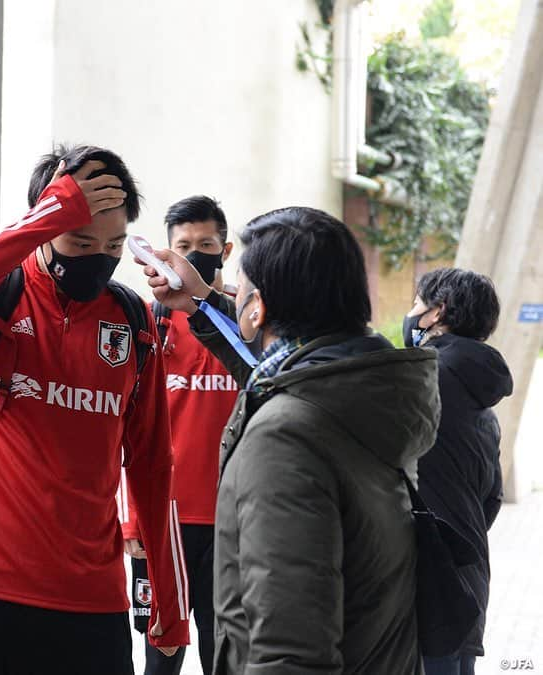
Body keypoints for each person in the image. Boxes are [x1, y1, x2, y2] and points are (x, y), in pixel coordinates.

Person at [0, 145, 188, 675]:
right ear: (43, 222)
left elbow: (152, 466)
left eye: (113, 245)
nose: (97, 258)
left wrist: (170, 605)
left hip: (89, 600)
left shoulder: (130, 323)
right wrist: (44, 217)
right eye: (79, 241)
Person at [139, 206, 441, 673]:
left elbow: (288, 647)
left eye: (241, 287)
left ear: (257, 305)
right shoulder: (358, 390)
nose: (234, 296)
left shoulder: (286, 435)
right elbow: (267, 370)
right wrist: (201, 301)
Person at [120, 196, 237, 675]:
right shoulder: (152, 323)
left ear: (225, 250)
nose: (194, 255)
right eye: (182, 246)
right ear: (167, 253)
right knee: (161, 656)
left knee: (224, 651)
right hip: (162, 519)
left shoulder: (246, 324)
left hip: (234, 520)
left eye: (205, 244)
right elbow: (128, 429)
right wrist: (132, 523)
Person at [404, 267, 513, 675]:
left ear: (437, 312)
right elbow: (492, 497)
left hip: (424, 577)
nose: (412, 313)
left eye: (418, 303)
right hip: (467, 571)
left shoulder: (422, 374)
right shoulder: (482, 395)